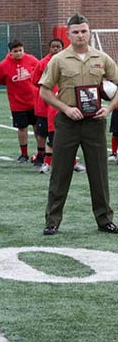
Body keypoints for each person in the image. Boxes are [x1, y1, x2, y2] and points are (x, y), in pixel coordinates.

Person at [39, 13, 118, 235]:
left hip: (95, 122)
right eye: (76, 32)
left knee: (99, 173)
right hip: (67, 122)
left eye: (84, 31)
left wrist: (109, 108)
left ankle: (105, 219)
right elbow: (44, 91)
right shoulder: (59, 59)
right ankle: (52, 221)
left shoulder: (101, 58)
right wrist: (65, 108)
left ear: (89, 32)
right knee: (60, 172)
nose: (80, 35)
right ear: (68, 34)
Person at [0, 40, 41, 164]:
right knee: (22, 128)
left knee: (38, 127)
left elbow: (40, 71)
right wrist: (10, 83)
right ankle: (24, 153)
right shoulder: (4, 64)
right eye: (15, 51)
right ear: (10, 52)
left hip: (34, 101)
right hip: (17, 103)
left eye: (20, 50)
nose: (19, 53)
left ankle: (41, 152)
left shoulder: (31, 59)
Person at [32, 38, 64, 174]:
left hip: (62, 103)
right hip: (45, 104)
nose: (56, 49)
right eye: (53, 47)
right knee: (43, 132)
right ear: (49, 48)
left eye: (58, 47)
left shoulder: (67, 62)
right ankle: (42, 157)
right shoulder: (43, 63)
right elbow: (35, 80)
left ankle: (70, 161)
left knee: (63, 134)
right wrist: (47, 90)